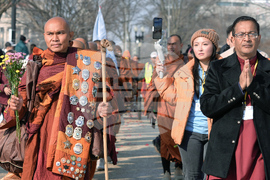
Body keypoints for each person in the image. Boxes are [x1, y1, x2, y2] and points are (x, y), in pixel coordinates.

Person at [6, 16, 118, 180]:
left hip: (74, 136)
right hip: (42, 137)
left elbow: (102, 97)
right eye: (50, 34)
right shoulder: (36, 64)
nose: (55, 38)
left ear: (70, 34)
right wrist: (17, 104)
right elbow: (23, 101)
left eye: (60, 33)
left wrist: (101, 109)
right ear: (44, 35)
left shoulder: (86, 63)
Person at [200, 16, 270, 179]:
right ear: (232, 39)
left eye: (252, 33)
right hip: (225, 145)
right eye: (241, 34)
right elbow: (207, 106)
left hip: (259, 144)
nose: (246, 38)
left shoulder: (267, 67)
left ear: (259, 38)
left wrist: (253, 87)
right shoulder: (218, 68)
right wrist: (238, 89)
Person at [154, 29, 220, 180]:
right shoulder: (184, 72)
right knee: (192, 175)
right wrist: (161, 77)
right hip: (190, 131)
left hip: (216, 130)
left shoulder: (224, 69)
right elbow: (173, 97)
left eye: (205, 44)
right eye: (196, 45)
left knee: (213, 175)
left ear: (214, 46)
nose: (200, 48)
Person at [144, 34, 188, 180]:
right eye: (169, 44)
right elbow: (152, 85)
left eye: (175, 44)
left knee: (180, 138)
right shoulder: (161, 62)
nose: (171, 47)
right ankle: (166, 172)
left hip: (181, 106)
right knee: (165, 139)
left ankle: (179, 167)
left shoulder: (187, 62)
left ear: (181, 45)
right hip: (164, 107)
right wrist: (151, 108)